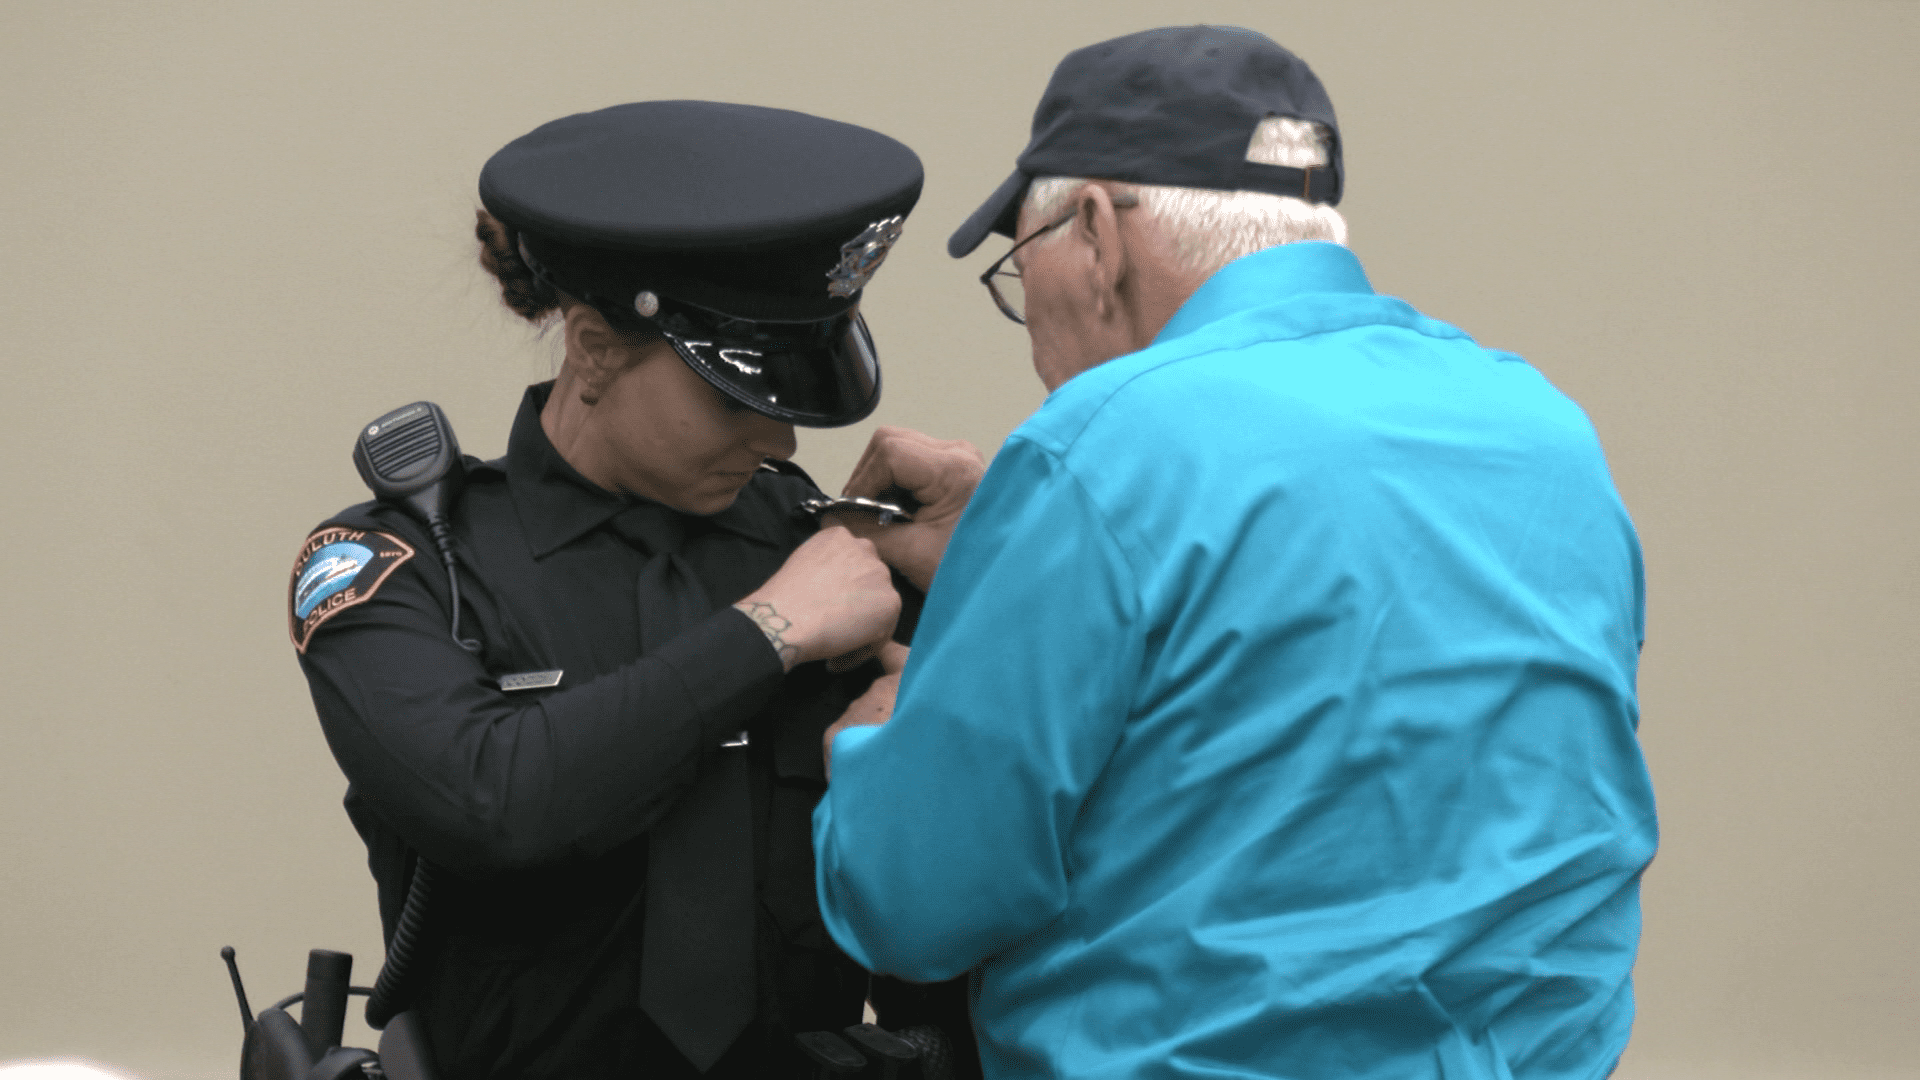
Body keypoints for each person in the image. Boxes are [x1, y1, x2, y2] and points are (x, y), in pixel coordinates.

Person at [812, 26, 1659, 1080]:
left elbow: (916, 904)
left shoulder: (1098, 448)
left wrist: (888, 739)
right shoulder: (1544, 431)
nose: (1028, 322)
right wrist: (1017, 552)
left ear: (1094, 233)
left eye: (1019, 265)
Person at [288, 100, 933, 1079]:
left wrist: (989, 575)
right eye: (736, 396)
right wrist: (766, 634)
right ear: (591, 348)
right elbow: (490, 804)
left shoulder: (835, 554)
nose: (781, 441)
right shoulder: (409, 565)